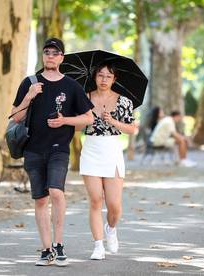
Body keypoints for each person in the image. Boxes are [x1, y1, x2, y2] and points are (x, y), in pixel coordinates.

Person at [11, 38, 94, 266]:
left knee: (56, 192)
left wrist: (65, 120)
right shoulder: (30, 82)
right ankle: (46, 250)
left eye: (55, 53)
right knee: (40, 200)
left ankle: (59, 244)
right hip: (33, 150)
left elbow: (89, 118)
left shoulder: (71, 86)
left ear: (61, 58)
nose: (50, 56)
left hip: (59, 149)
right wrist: (29, 95)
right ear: (43, 56)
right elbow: (15, 117)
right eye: (47, 52)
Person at [80, 62, 137, 260]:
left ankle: (110, 228)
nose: (103, 80)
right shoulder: (84, 97)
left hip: (112, 150)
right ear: (94, 77)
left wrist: (113, 121)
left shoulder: (124, 102)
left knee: (114, 205)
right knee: (96, 200)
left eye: (108, 76)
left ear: (114, 79)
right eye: (100, 75)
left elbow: (132, 129)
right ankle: (98, 246)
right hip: (91, 150)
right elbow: (78, 125)